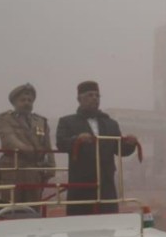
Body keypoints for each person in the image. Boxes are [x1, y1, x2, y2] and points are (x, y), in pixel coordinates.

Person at [55, 81, 137, 215]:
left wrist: (130, 144)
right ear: (79, 99)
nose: (94, 98)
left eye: (97, 96)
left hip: (106, 184)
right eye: (90, 95)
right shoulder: (67, 122)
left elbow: (119, 150)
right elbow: (61, 143)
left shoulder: (111, 124)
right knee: (79, 227)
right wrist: (77, 140)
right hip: (80, 184)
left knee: (108, 226)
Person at [0, 83, 55, 204]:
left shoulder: (40, 121)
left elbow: (48, 146)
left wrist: (51, 167)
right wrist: (30, 149)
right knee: (10, 206)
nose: (27, 103)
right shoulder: (5, 119)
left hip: (34, 171)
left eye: (29, 100)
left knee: (33, 207)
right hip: (13, 169)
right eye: (22, 100)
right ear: (14, 102)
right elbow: (9, 140)